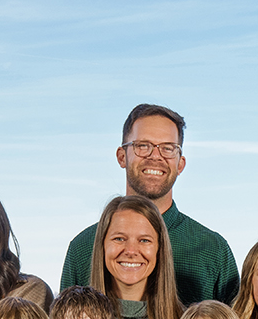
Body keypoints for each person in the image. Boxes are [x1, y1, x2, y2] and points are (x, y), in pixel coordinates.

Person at [59, 104, 238, 305]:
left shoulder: (213, 249)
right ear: (121, 156)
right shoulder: (83, 248)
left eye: (168, 148)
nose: (155, 156)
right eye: (143, 146)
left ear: (180, 164)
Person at [78, 194, 182, 319]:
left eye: (144, 240)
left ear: (160, 249)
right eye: (119, 238)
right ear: (103, 245)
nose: (131, 251)